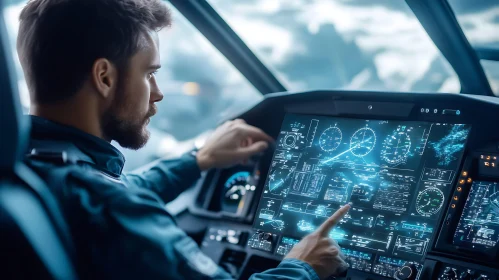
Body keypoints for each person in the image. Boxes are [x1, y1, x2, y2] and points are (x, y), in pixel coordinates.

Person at [17, 0, 350, 279]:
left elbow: (106, 191)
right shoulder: (111, 210)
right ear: (104, 77)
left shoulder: (28, 166)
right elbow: (112, 202)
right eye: (149, 74)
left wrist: (198, 159)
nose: (158, 93)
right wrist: (302, 266)